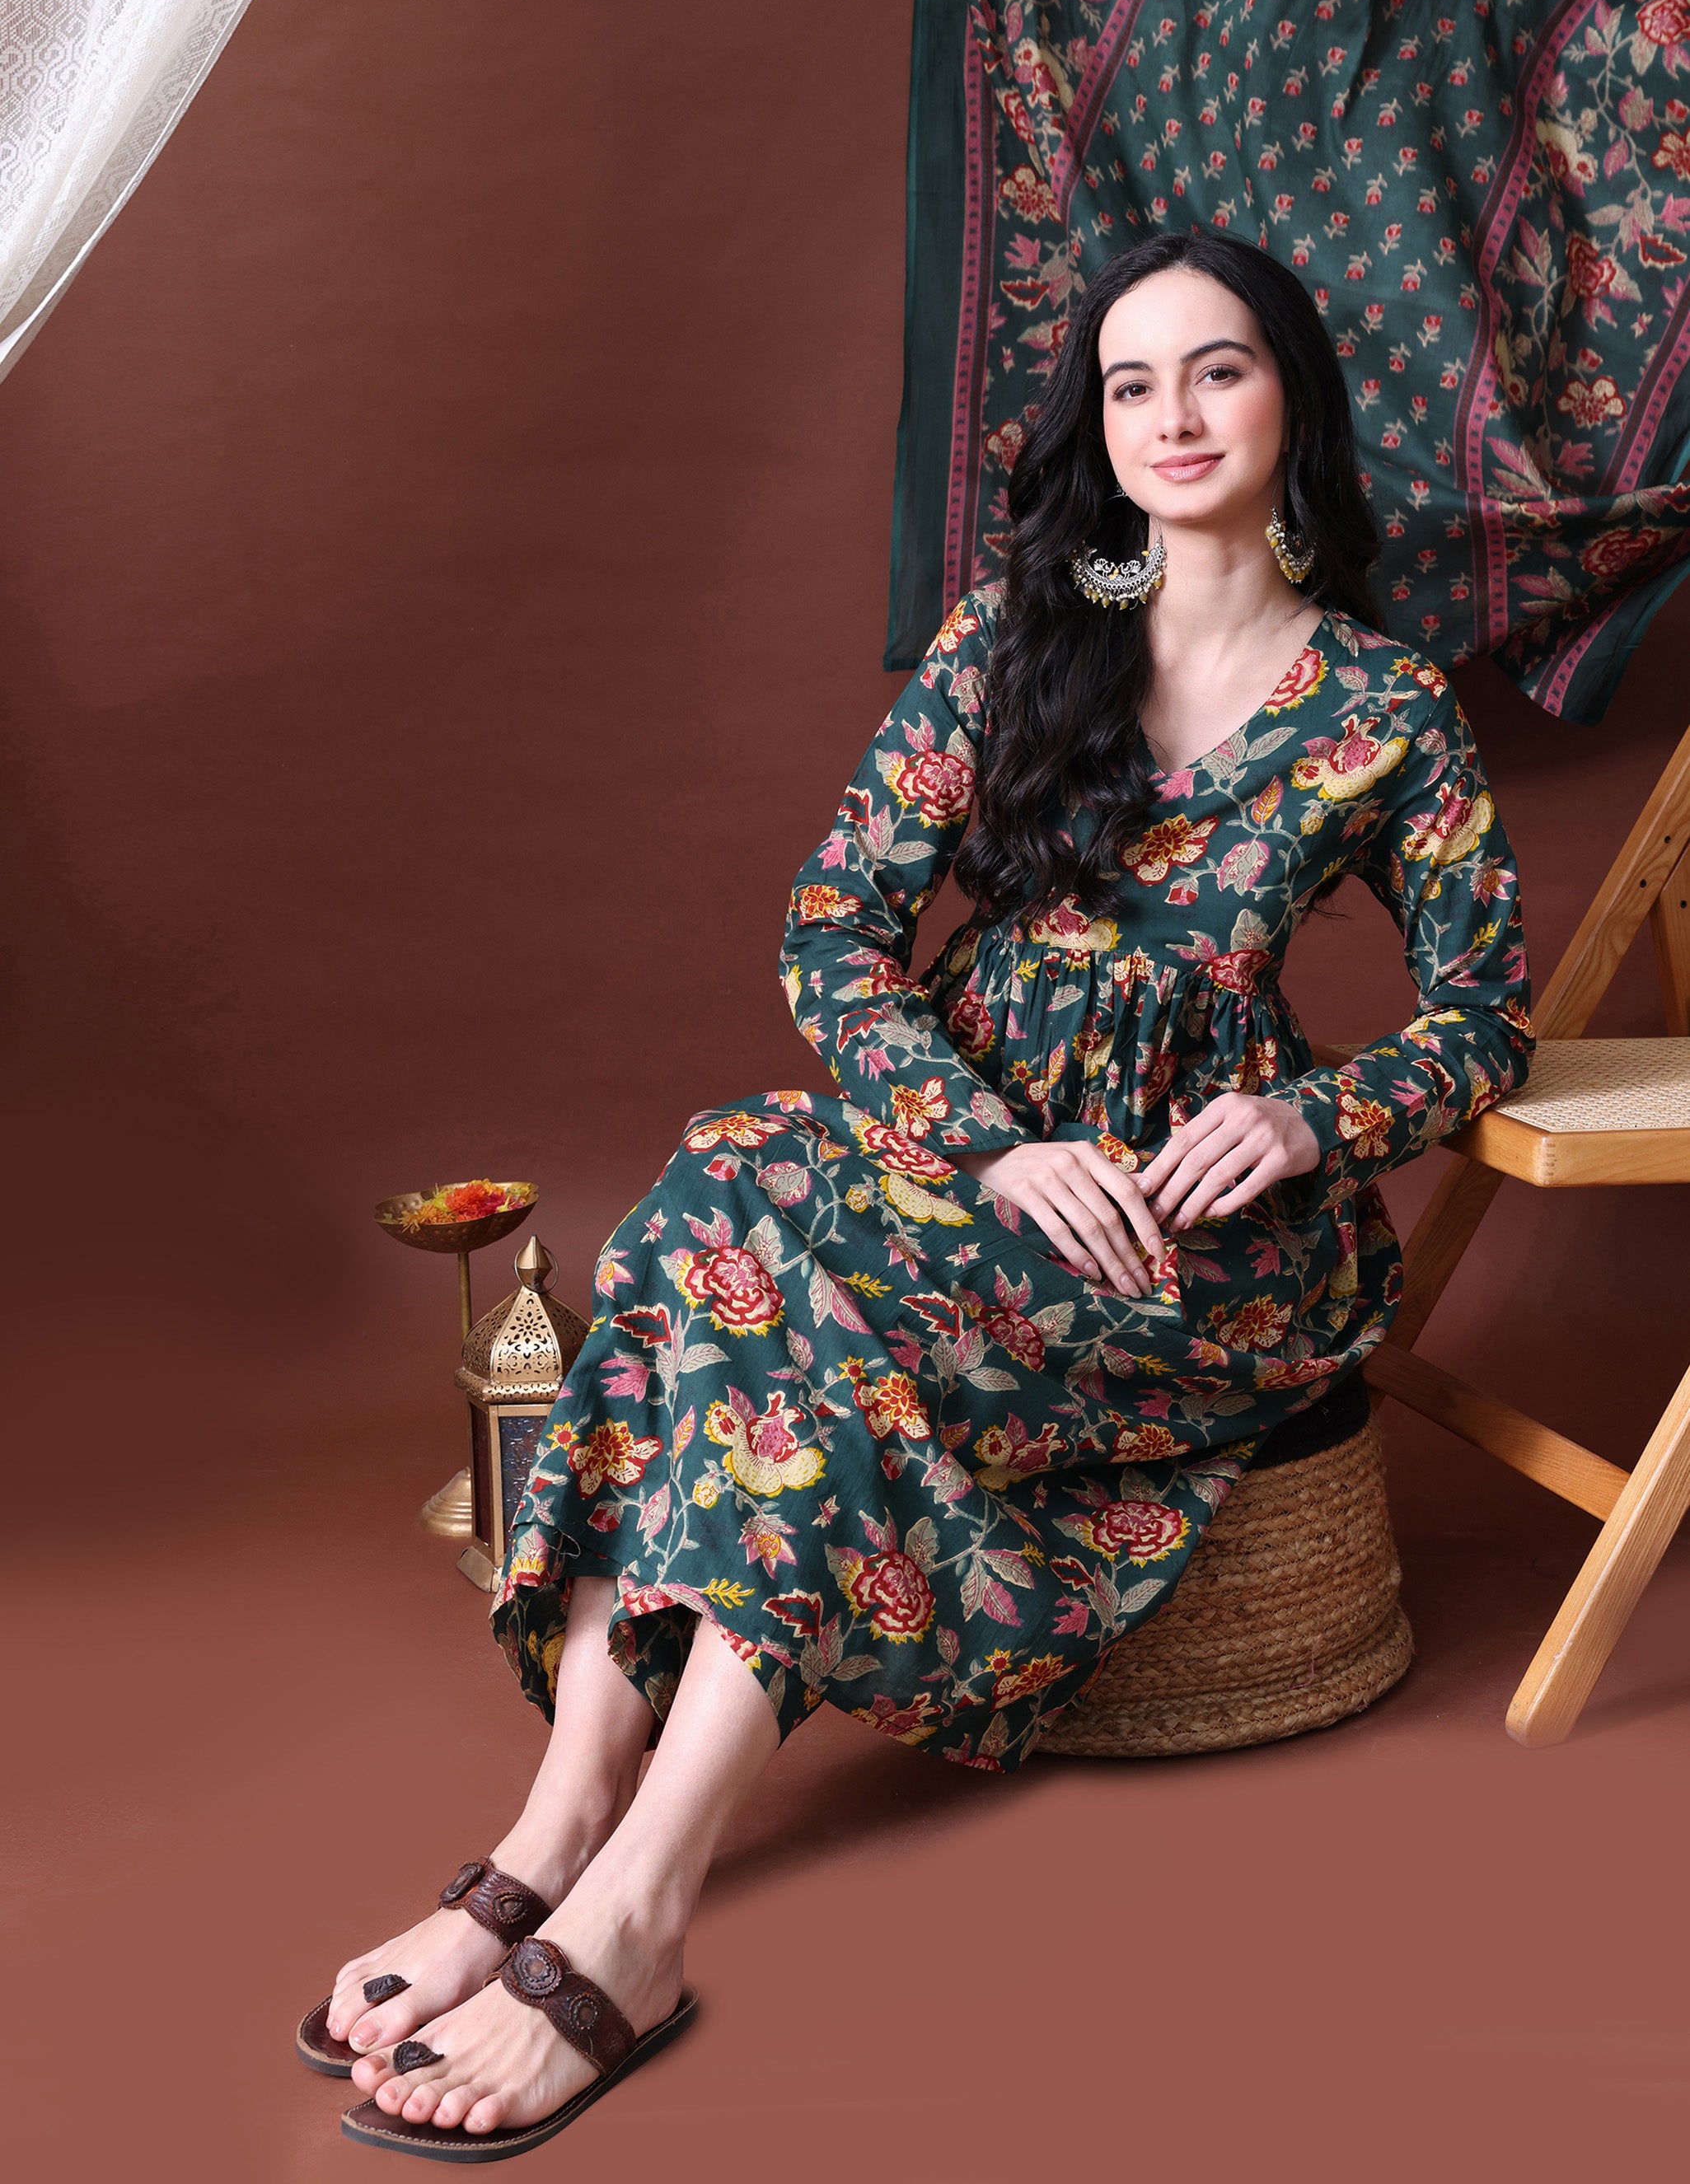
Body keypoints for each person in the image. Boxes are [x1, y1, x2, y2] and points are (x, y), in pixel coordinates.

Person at [311, 229, 1533, 2159]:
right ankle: (569, 1825)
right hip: (969, 1158)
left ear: (1290, 396)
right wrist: (985, 1146)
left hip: (1185, 1233)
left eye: (1217, 370)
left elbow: (1485, 1017)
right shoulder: (1018, 638)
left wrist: (1315, 1122)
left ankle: (631, 1906)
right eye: (1130, 384)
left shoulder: (1386, 708)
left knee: (808, 1309)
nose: (1173, 416)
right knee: (716, 1189)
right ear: (1097, 426)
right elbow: (832, 933)